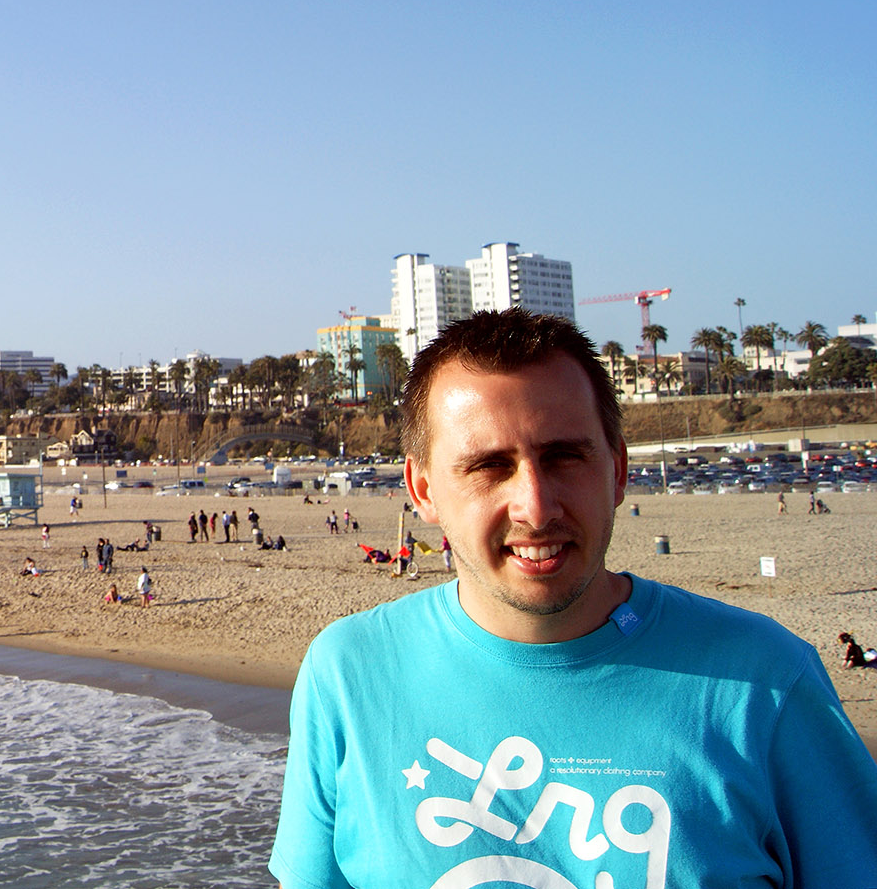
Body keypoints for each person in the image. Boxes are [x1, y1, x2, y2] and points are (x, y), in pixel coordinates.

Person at [270, 308, 877, 888]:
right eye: (489, 467)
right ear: (423, 490)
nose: (536, 507)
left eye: (564, 457)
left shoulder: (766, 685)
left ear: (616, 471)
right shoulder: (349, 675)